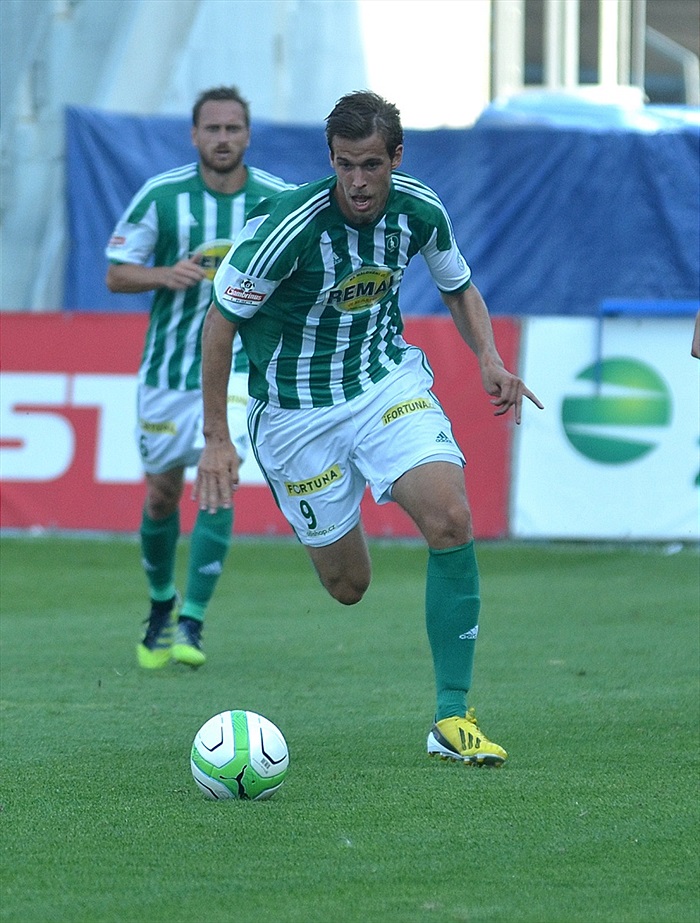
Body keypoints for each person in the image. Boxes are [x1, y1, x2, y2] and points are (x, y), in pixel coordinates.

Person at [194, 90, 543, 764]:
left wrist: (490, 359)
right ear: (330, 160)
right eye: (346, 165)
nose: (358, 182)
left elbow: (457, 285)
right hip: (296, 417)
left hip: (384, 383)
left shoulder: (418, 208)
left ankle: (452, 716)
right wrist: (216, 436)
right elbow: (219, 325)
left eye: (372, 165)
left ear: (397, 158)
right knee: (349, 586)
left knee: (451, 518)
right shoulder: (287, 228)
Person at [105, 86, 293, 670]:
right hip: (167, 373)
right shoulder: (163, 196)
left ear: (248, 134)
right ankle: (163, 604)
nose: (222, 139)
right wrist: (165, 274)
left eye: (233, 128)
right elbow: (116, 275)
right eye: (212, 129)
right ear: (194, 135)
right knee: (162, 495)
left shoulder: (277, 200)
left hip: (240, 371)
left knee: (220, 477)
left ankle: (194, 622)